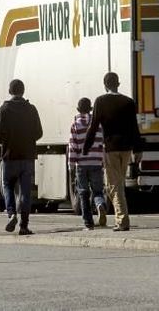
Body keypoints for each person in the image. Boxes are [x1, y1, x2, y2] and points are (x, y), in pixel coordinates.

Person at [83, 72, 142, 231]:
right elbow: (134, 127)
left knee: (112, 186)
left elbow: (93, 126)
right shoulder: (128, 102)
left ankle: (122, 221)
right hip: (126, 149)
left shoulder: (100, 101)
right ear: (118, 84)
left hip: (110, 149)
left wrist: (86, 148)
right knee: (118, 184)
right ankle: (120, 218)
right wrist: (138, 149)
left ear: (105, 84)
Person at [0, 78, 43, 236]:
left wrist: (7, 142)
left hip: (9, 155)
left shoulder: (4, 109)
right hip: (27, 156)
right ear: (23, 91)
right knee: (25, 191)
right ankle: (24, 225)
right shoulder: (31, 109)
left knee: (7, 185)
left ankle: (11, 213)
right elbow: (39, 132)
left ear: (10, 91)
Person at [68, 97, 107, 230]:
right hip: (96, 162)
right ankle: (100, 205)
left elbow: (73, 147)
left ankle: (88, 223)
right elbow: (102, 143)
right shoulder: (98, 125)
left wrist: (71, 165)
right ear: (90, 109)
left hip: (82, 164)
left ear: (78, 110)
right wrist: (103, 161)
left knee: (83, 193)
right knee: (97, 190)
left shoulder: (75, 125)